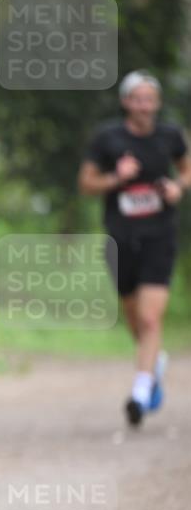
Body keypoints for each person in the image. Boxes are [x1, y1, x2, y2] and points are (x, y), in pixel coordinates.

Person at [78, 70, 191, 426]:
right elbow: (86, 184)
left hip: (160, 235)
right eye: (137, 99)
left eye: (150, 99)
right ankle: (153, 362)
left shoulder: (171, 135)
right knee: (133, 318)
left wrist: (178, 188)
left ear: (156, 103)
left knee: (149, 317)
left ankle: (140, 393)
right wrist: (117, 177)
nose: (144, 106)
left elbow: (187, 170)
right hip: (120, 238)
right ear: (126, 102)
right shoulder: (107, 139)